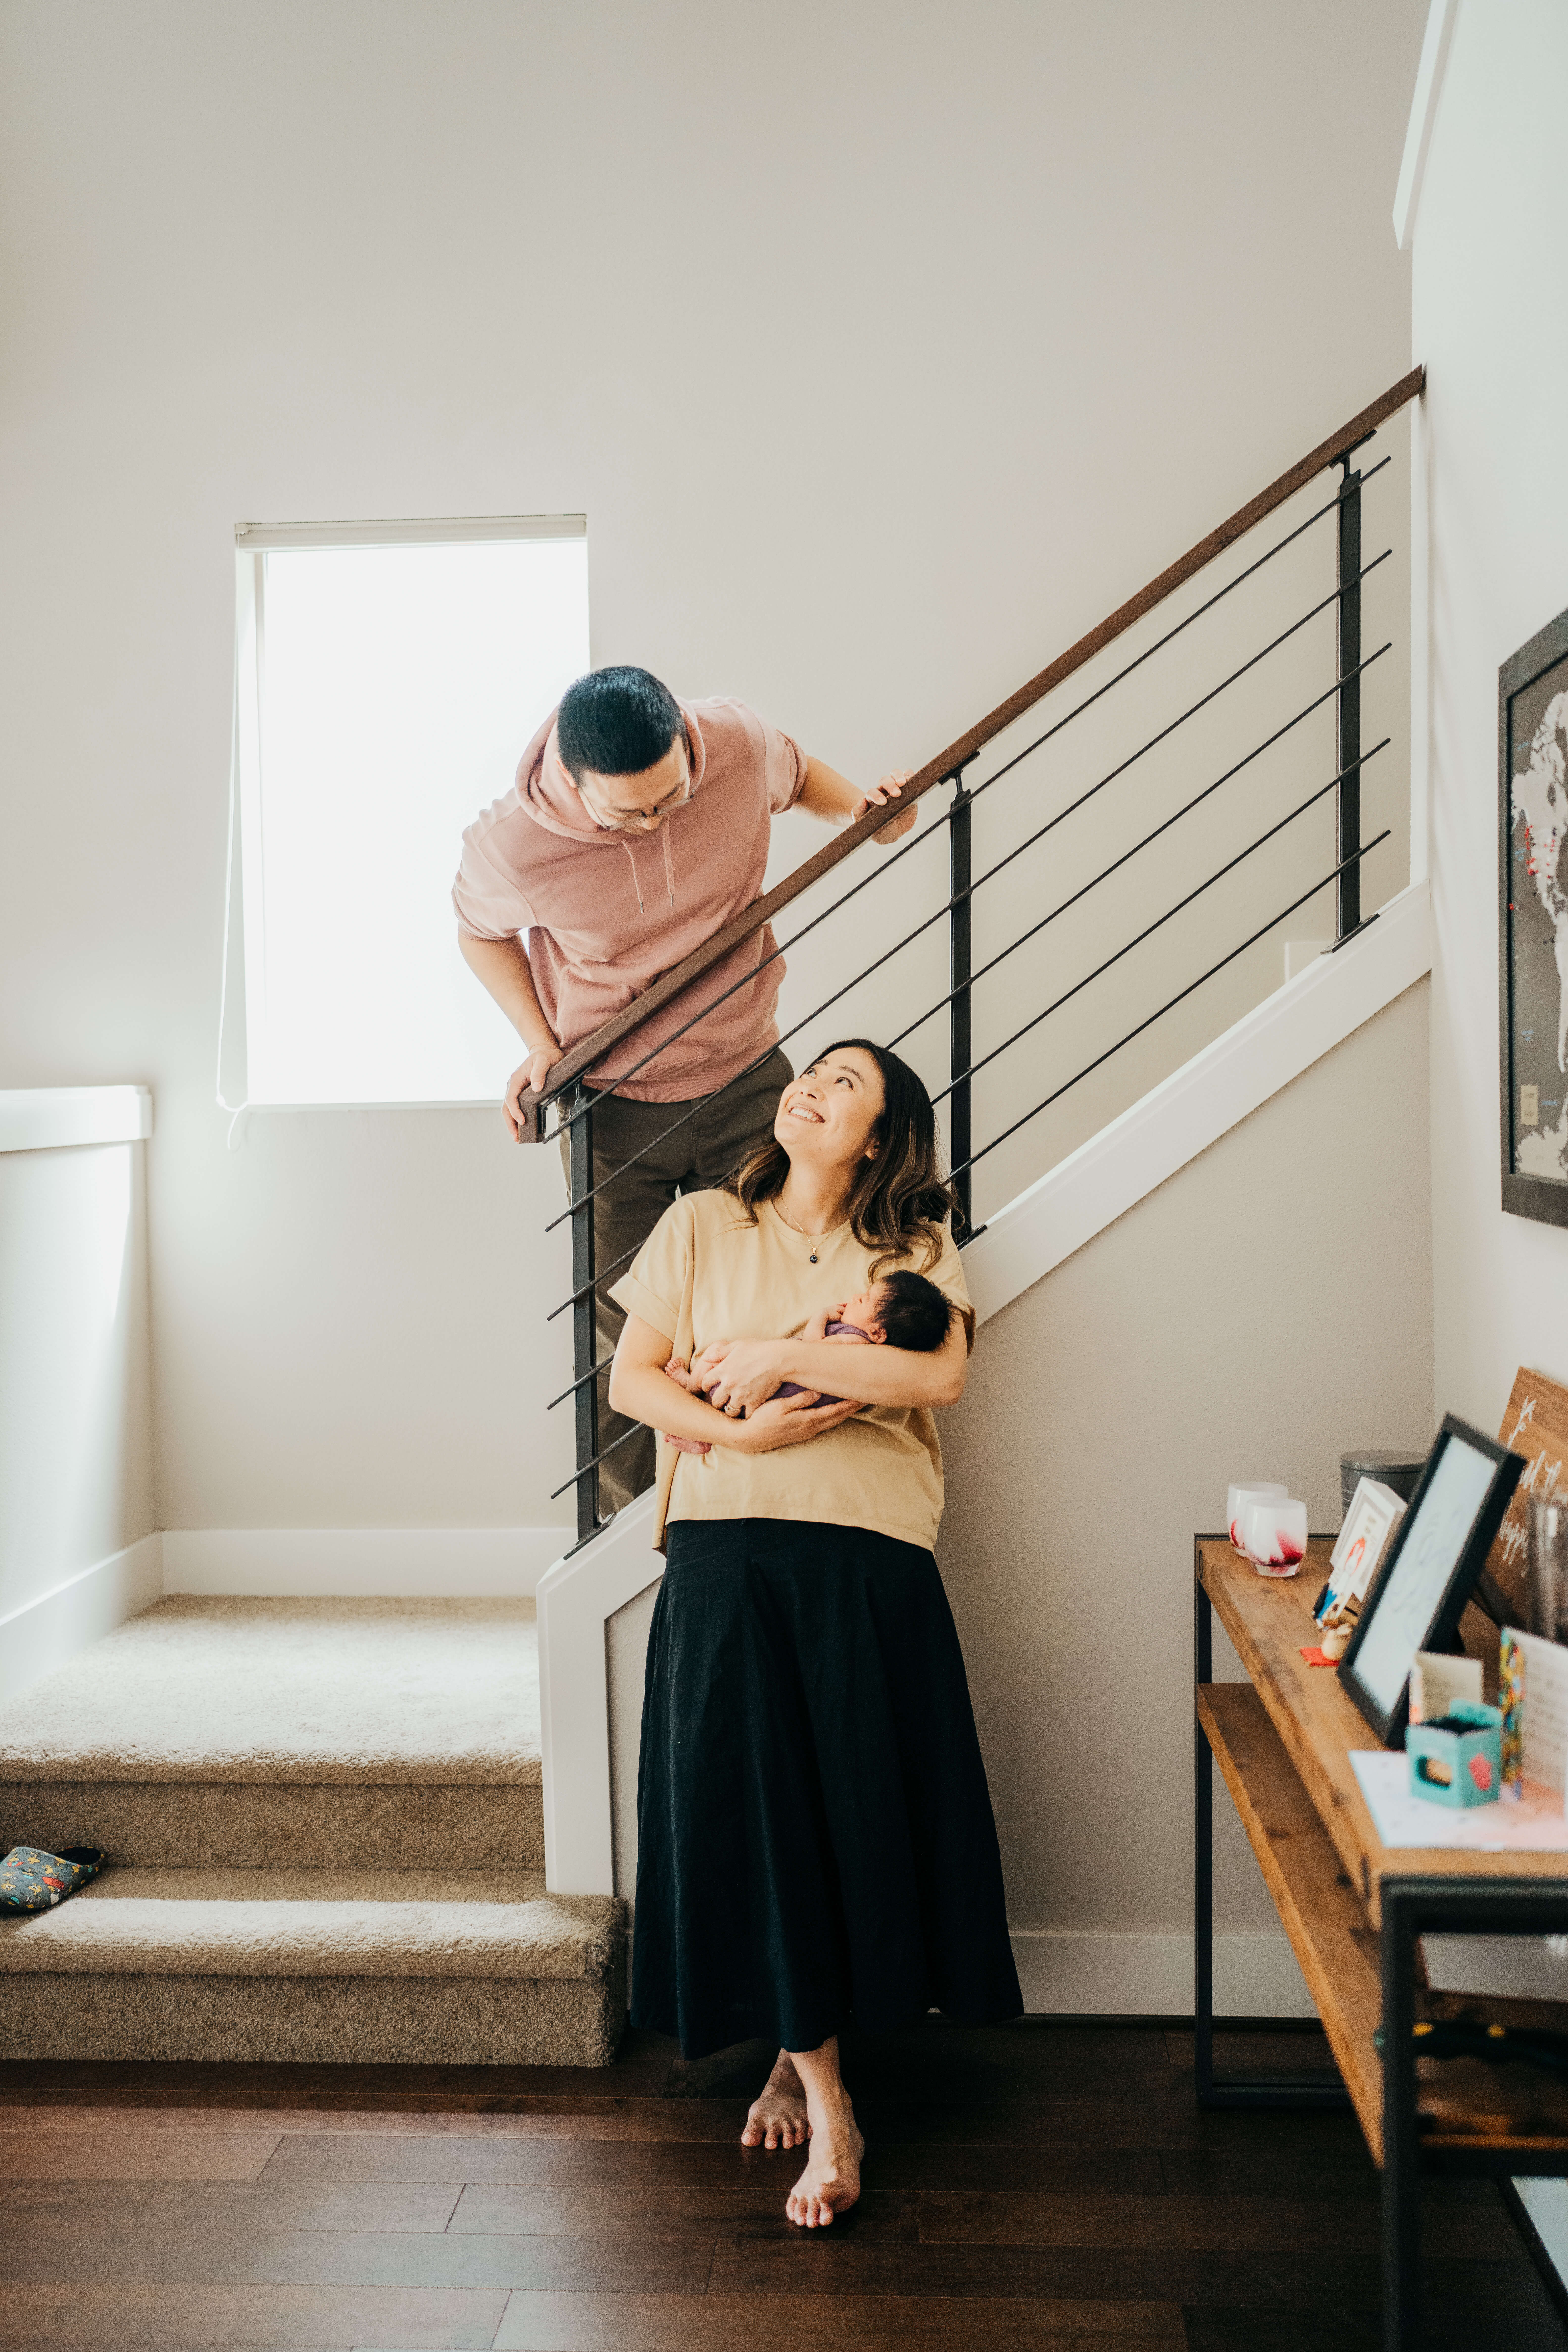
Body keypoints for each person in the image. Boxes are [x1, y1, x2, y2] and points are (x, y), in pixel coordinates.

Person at [607, 1040, 1022, 2229]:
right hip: (725, 1543)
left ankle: (802, 2054)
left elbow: (936, 1375)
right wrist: (739, 1437)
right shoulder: (696, 1223)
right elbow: (638, 1378)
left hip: (863, 1550)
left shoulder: (917, 1247)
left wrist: (777, 1355)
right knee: (758, 1811)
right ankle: (830, 2097)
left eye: (846, 1083)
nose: (811, 1086)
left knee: (843, 1812)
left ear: (882, 1136)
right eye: (812, 1069)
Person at [454, 667, 915, 1511]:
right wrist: (538, 1042)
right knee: (628, 1333)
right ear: (570, 776)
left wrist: (862, 816)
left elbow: (798, 773)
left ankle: (748, 1508)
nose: (656, 821)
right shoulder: (512, 845)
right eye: (627, 812)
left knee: (772, 1303)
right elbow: (478, 933)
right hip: (611, 1108)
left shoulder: (732, 742)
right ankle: (631, 1543)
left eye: (672, 796)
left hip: (749, 1082)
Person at [666, 1269, 955, 1453]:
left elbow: (815, 1353)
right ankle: (700, 1436)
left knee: (718, 1350)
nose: (855, 1298)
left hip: (767, 1394)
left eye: (864, 1301)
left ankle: (691, 1384)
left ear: (878, 1333)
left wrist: (821, 1316)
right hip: (765, 1395)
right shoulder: (871, 1357)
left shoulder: (856, 1343)